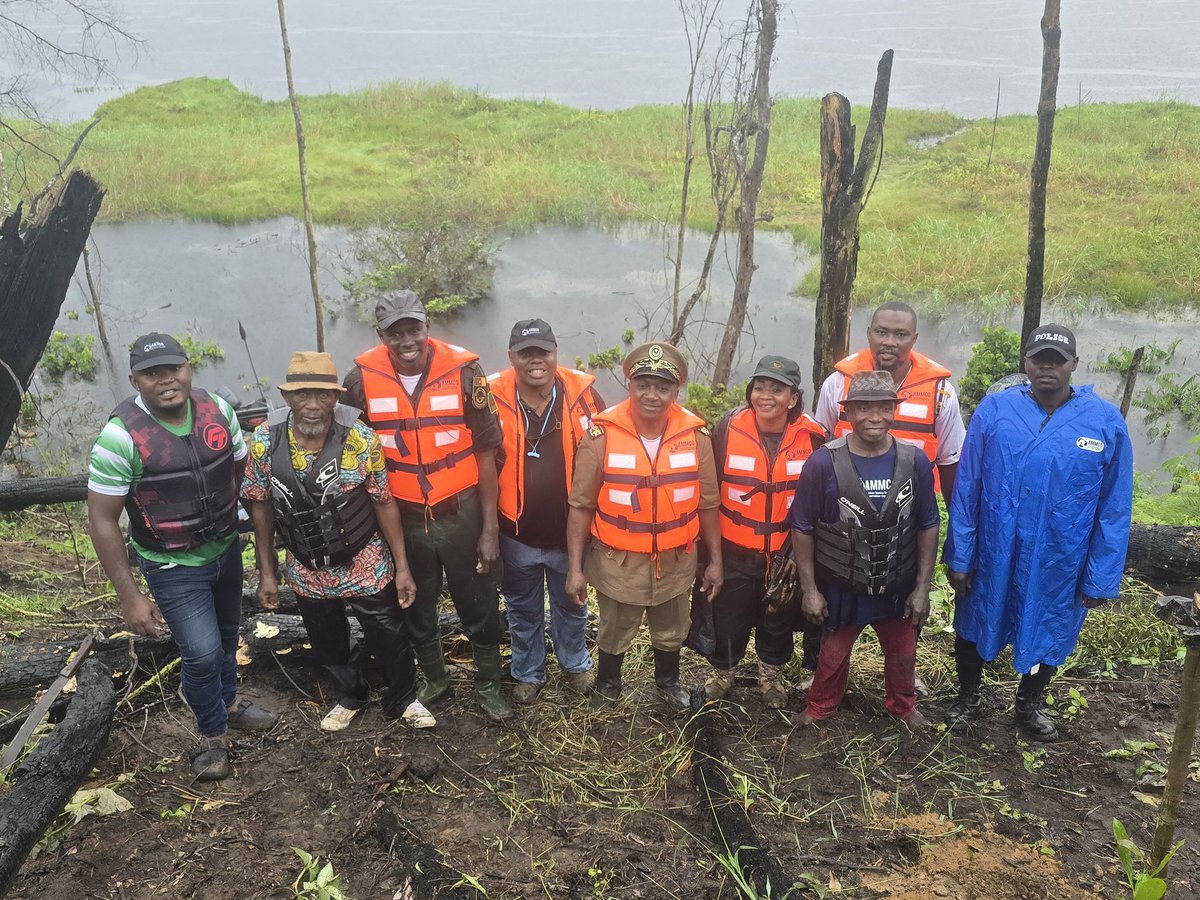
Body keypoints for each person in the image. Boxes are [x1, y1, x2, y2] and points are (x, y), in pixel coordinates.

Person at [88, 333, 278, 781]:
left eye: (173, 369)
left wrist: (262, 557)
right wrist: (130, 597)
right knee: (202, 652)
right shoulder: (120, 437)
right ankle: (212, 733)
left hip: (225, 548)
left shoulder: (218, 411)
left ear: (188, 368)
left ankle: (227, 703)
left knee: (227, 636)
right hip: (172, 563)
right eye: (152, 373)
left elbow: (242, 474)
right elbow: (102, 520)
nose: (166, 380)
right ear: (135, 380)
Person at [945, 325, 1133, 741]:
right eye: (1039, 358)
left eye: (1057, 360)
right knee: (974, 619)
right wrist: (961, 554)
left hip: (1060, 556)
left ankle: (1028, 704)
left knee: (1050, 626)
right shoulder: (995, 411)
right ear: (1026, 363)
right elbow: (967, 487)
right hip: (995, 547)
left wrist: (1101, 577)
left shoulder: (1104, 423)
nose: (1047, 367)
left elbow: (1114, 507)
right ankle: (968, 696)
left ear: (1074, 364)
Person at [240, 351, 435, 732]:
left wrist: (402, 568)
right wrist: (267, 572)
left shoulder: (360, 439)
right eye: (302, 395)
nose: (313, 405)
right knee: (325, 636)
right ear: (286, 396)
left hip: (363, 559)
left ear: (336, 397)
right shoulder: (264, 441)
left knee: (387, 629)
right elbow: (259, 505)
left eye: (323, 395)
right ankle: (350, 695)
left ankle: (402, 697)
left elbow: (384, 501)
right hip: (305, 562)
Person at [343, 290, 512, 722]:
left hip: (462, 512)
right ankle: (435, 678)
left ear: (427, 326)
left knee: (479, 601)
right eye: (395, 332)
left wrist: (489, 527)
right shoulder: (359, 381)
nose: (406, 340)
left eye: (413, 329)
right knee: (415, 603)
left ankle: (489, 684)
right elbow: (352, 454)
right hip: (402, 517)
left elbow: (487, 452)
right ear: (381, 335)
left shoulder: (466, 374)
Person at [813, 301, 964, 696]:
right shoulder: (839, 383)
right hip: (844, 521)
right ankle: (821, 676)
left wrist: (958, 534)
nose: (890, 342)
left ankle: (903, 681)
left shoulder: (941, 392)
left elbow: (951, 462)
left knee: (906, 603)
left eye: (900, 334)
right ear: (868, 334)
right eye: (882, 332)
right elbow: (819, 444)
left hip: (906, 522)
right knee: (835, 604)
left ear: (914, 339)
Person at [565, 341, 723, 710]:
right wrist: (575, 569)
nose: (652, 395)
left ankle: (668, 683)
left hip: (677, 559)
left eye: (662, 387)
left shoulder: (696, 437)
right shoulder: (601, 436)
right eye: (643, 385)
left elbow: (708, 504)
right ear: (630, 385)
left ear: (676, 390)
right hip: (617, 560)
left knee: (672, 628)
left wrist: (715, 561)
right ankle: (608, 684)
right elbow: (580, 506)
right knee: (614, 627)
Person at [791, 370, 940, 730]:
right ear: (848, 412)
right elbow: (802, 527)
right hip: (843, 584)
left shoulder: (915, 462)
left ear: (894, 410)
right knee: (832, 655)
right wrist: (810, 591)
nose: (875, 417)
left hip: (897, 582)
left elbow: (928, 523)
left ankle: (902, 705)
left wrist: (922, 588)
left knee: (903, 653)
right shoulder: (822, 463)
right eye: (863, 408)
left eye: (884, 407)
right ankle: (822, 705)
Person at [697, 355, 826, 706]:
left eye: (777, 389)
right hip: (735, 547)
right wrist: (708, 555)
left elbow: (821, 502)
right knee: (728, 615)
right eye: (760, 387)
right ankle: (722, 673)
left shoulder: (814, 437)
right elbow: (708, 490)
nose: (766, 396)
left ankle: (770, 676)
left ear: (793, 397)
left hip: (787, 552)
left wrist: (800, 553)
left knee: (778, 617)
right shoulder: (727, 428)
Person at [489, 319, 605, 704]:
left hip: (569, 533)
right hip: (515, 533)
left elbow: (607, 460)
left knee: (572, 603)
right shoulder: (490, 397)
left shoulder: (585, 397)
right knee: (522, 609)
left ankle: (574, 663)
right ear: (511, 357)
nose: (535, 360)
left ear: (556, 354)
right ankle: (528, 671)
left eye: (543, 352)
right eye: (526, 353)